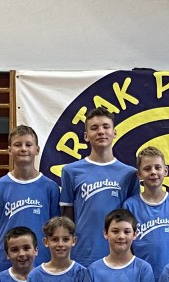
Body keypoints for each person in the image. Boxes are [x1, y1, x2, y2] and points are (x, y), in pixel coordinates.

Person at [59, 111, 137, 267]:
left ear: (114, 132)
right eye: (94, 128)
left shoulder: (129, 174)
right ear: (86, 136)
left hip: (118, 255)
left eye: (106, 127)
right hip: (82, 254)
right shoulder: (71, 171)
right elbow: (67, 219)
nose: (101, 131)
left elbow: (132, 218)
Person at [0, 125, 62, 272]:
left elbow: (54, 228)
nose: (23, 149)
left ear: (37, 150)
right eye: (18, 144)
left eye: (28, 144)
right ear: (10, 150)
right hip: (6, 262)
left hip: (41, 260)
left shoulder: (50, 187)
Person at [125, 145, 169, 276]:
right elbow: (126, 246)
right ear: (139, 174)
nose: (153, 172)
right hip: (140, 276)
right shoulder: (130, 206)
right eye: (147, 169)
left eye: (157, 167)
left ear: (166, 171)